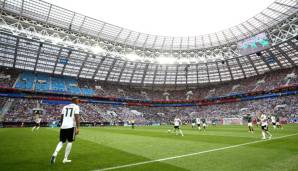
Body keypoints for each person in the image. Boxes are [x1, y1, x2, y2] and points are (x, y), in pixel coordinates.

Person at [50, 97, 80, 164]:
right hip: (71, 126)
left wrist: (61, 125)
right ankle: (65, 159)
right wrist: (78, 128)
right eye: (78, 100)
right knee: (70, 142)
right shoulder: (76, 107)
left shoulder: (65, 107)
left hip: (63, 126)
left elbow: (61, 117)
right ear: (75, 101)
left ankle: (54, 154)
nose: (79, 101)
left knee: (61, 141)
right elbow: (77, 117)